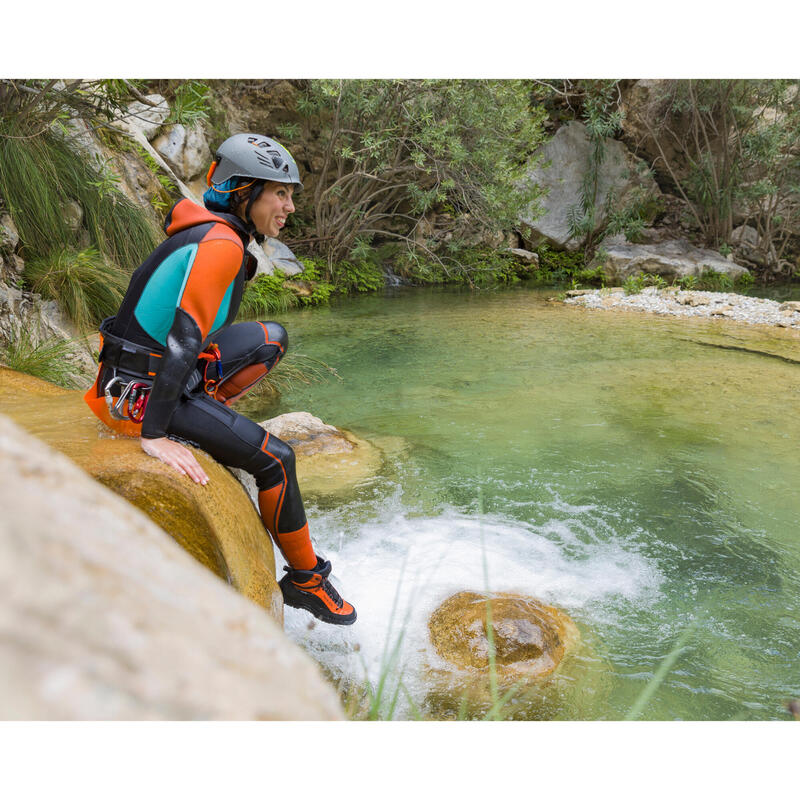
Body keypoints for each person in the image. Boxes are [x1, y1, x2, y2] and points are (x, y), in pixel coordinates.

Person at [83, 133, 356, 625]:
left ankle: (204, 410)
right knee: (278, 460)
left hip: (141, 374)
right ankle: (306, 581)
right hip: (137, 396)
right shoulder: (221, 244)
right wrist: (155, 436)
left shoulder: (216, 232)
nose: (290, 206)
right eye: (281, 193)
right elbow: (183, 341)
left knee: (270, 338)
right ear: (245, 191)